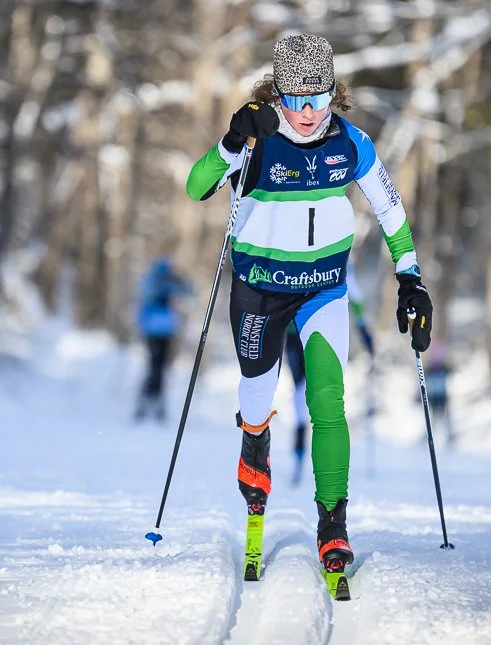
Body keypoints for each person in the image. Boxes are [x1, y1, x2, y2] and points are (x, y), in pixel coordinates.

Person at [184, 34, 432, 575]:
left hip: (323, 288)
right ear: (277, 93)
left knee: (327, 402)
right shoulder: (257, 138)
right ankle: (255, 446)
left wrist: (410, 278)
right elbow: (196, 187)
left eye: (317, 98)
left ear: (332, 92)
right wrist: (230, 141)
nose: (306, 112)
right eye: (295, 99)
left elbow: (391, 209)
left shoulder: (350, 142)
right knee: (257, 401)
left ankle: (333, 524)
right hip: (260, 289)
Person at [287, 260, 374, 485]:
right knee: (300, 392)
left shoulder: (340, 254)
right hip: (292, 333)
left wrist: (364, 329)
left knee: (319, 393)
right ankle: (299, 455)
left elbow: (354, 293)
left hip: (317, 329)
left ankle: (318, 460)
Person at [135, 257, 191, 422]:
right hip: (157, 331)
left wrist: (179, 282)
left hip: (162, 330)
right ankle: (148, 401)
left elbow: (188, 292)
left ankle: (153, 402)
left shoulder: (167, 282)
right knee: (155, 366)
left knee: (159, 367)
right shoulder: (154, 282)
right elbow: (148, 293)